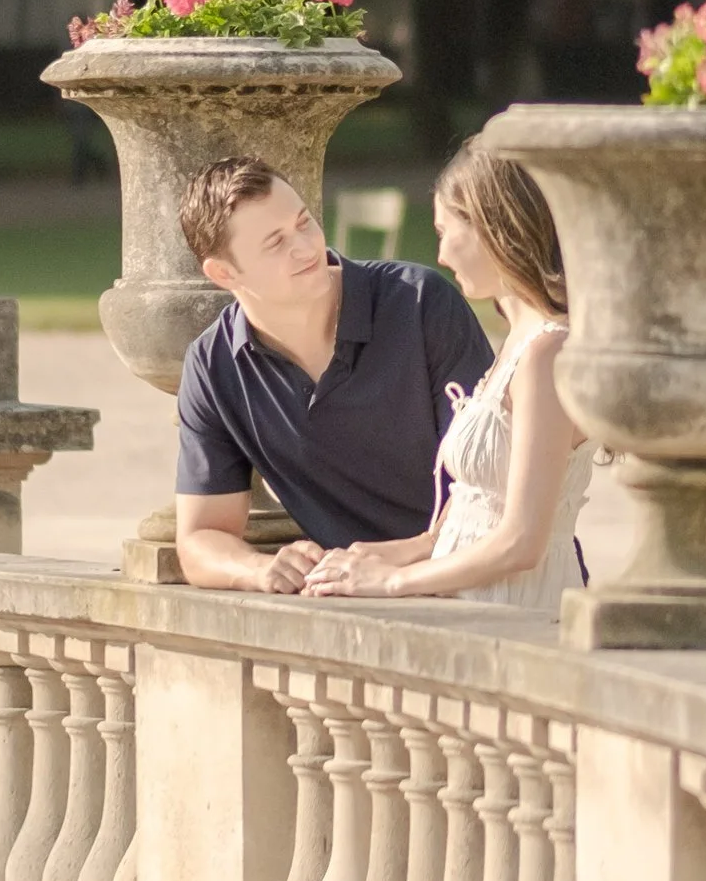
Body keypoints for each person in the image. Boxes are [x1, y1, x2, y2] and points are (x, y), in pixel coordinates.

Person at [171, 155, 495, 592]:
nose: (306, 247)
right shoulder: (214, 366)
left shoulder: (419, 305)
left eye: (304, 223)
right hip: (354, 606)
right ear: (223, 273)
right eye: (275, 242)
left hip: (485, 584)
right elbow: (200, 537)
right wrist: (259, 569)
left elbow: (493, 488)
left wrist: (407, 556)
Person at [304, 142, 593, 606]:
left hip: (513, 610)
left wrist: (394, 582)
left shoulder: (548, 353)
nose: (439, 254)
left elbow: (522, 541)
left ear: (491, 227)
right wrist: (389, 554)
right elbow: (480, 508)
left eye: (444, 231)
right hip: (471, 600)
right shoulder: (517, 343)